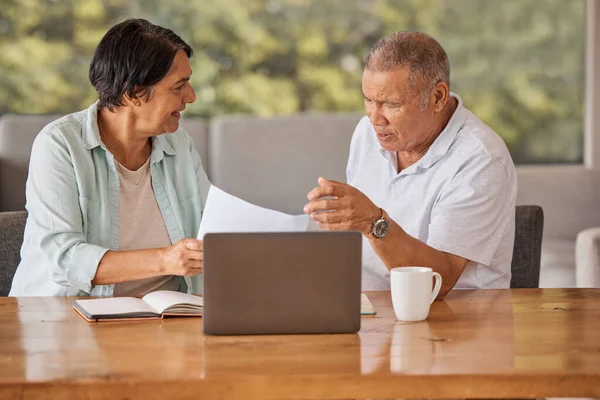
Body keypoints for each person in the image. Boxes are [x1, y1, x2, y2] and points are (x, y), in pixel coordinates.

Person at [304, 31, 517, 298]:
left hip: (455, 320)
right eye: (368, 100)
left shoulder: (481, 160)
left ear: (438, 97)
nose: (374, 117)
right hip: (369, 310)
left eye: (391, 104)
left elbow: (438, 281)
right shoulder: (367, 133)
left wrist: (373, 222)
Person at [10, 19, 210, 297]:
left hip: (167, 319)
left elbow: (212, 230)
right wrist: (165, 260)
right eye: (178, 87)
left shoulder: (179, 145)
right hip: (65, 320)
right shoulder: (60, 144)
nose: (191, 96)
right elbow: (66, 258)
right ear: (134, 93)